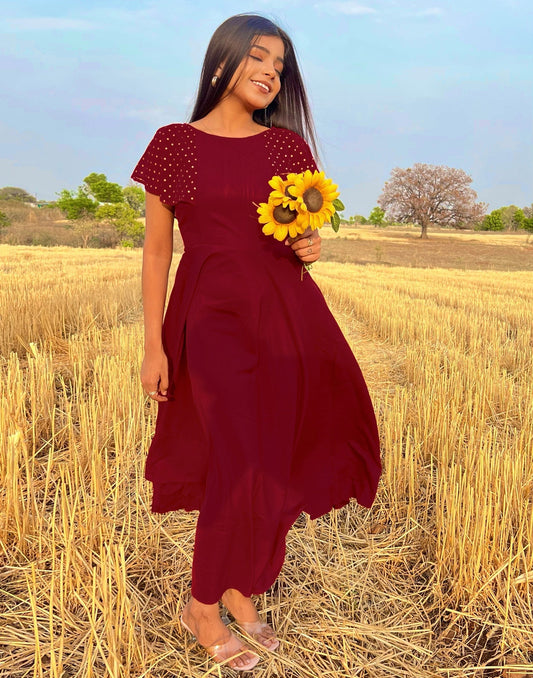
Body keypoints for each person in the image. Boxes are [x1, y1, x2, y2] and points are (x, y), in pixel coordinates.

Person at [131, 13, 381, 672]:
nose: (271, 72)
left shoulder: (286, 150)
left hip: (287, 319)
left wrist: (311, 247)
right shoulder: (173, 143)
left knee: (272, 460)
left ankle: (240, 587)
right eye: (259, 58)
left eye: (280, 65)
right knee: (236, 461)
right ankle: (202, 606)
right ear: (222, 62)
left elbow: (298, 243)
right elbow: (157, 252)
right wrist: (153, 345)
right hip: (209, 321)